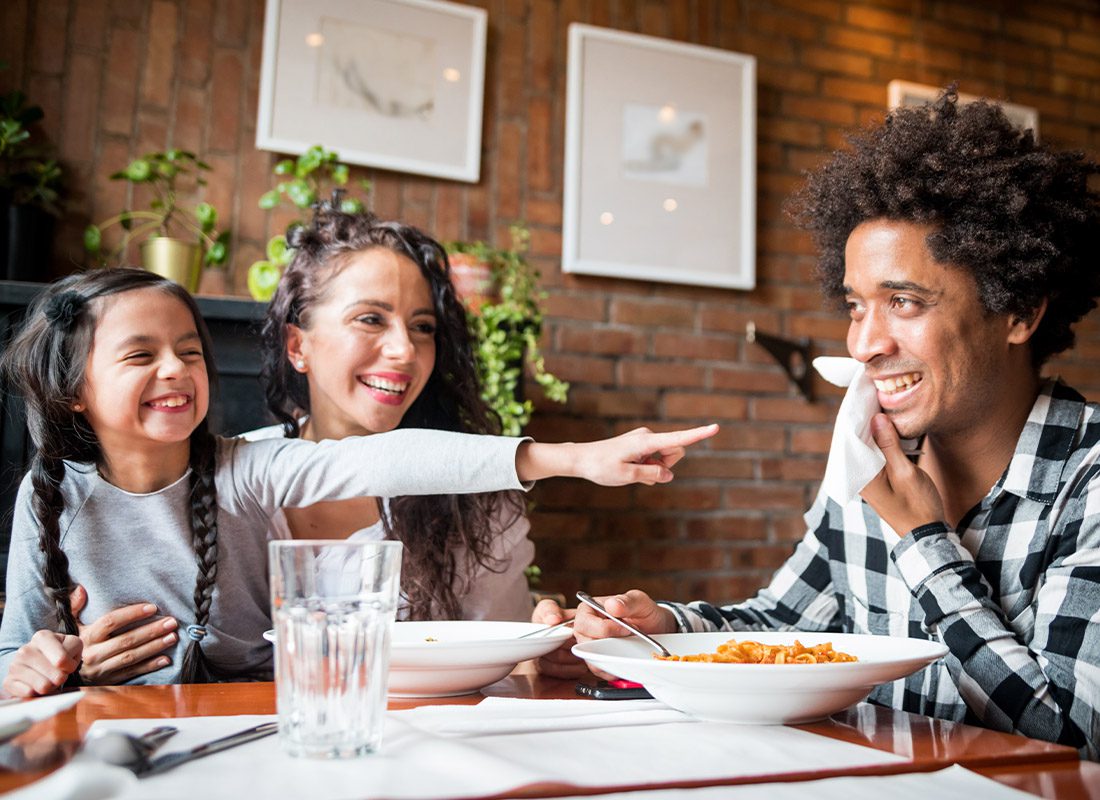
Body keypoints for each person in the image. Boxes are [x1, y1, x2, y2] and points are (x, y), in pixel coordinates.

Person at [537, 88, 1100, 757]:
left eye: (905, 301)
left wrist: (923, 539)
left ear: (1020, 312)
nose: (864, 344)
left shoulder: (1086, 481)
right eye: (857, 305)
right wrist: (661, 632)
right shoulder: (869, 458)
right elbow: (787, 624)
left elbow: (1071, 733)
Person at [0, 268, 718, 697]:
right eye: (139, 354)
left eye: (188, 351)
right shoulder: (50, 495)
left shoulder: (246, 472)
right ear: (72, 389)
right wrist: (43, 666)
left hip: (260, 717)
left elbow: (392, 458)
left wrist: (575, 458)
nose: (174, 370)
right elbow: (14, 661)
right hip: (121, 731)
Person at [245, 209, 533, 623]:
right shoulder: (228, 476)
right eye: (370, 319)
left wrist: (550, 650)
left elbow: (511, 663)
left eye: (422, 326)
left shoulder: (475, 496)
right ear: (297, 346)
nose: (405, 350)